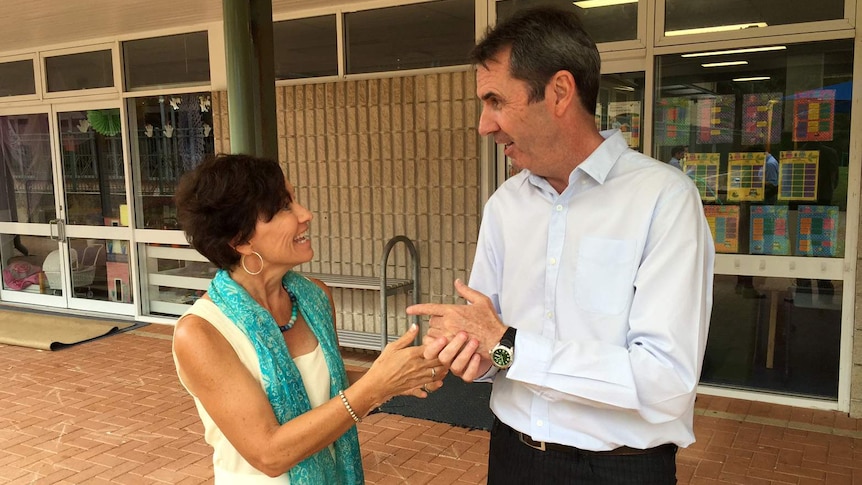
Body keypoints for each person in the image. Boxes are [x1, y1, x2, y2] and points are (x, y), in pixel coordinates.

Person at [408, 7, 715, 484]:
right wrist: (470, 350)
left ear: (559, 92)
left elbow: (665, 382)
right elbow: (498, 348)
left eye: (495, 101)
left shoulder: (663, 200)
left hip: (621, 469)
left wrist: (507, 345)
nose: (483, 125)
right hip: (513, 454)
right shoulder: (506, 205)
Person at [171, 153, 446, 484]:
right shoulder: (201, 333)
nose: (306, 214)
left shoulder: (314, 296)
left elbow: (329, 389)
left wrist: (402, 372)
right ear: (241, 240)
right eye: (285, 207)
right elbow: (269, 454)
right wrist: (375, 387)